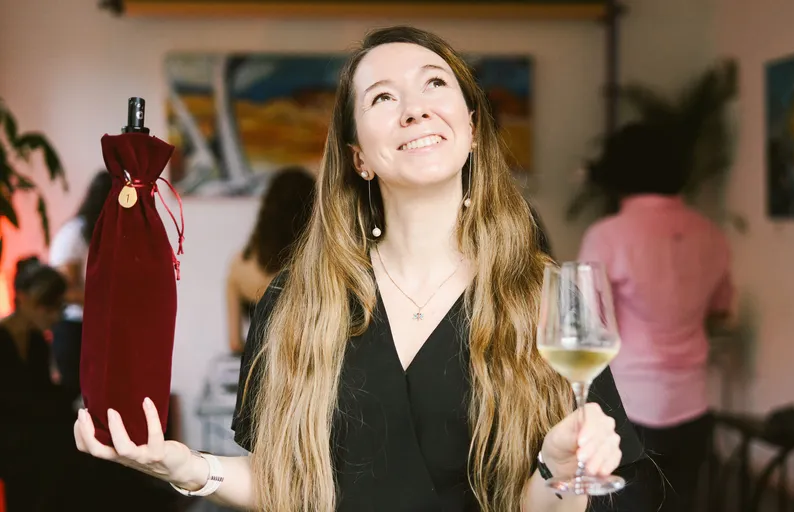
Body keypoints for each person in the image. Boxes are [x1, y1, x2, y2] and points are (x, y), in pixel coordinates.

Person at [74, 26, 658, 512]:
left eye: (434, 84)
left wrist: (558, 473)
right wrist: (186, 465)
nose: (415, 109)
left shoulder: (541, 297)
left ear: (473, 130)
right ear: (358, 158)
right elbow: (286, 486)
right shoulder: (298, 300)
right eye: (382, 97)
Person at [578, 123, 735, 512]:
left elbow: (587, 324)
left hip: (629, 404)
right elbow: (721, 311)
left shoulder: (608, 235)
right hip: (694, 402)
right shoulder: (711, 233)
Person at [0, 257, 75, 511]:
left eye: (58, 307)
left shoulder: (37, 342)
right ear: (22, 298)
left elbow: (43, 393)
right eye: (48, 307)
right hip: (13, 446)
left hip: (32, 442)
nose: (54, 316)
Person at [227, 167, 316, 354]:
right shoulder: (310, 270)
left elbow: (235, 343)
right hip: (302, 374)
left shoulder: (239, 264)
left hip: (259, 372)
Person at [48, 170, 112, 400]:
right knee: (75, 396)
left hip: (95, 326)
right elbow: (65, 291)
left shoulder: (102, 233)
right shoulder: (74, 234)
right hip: (73, 328)